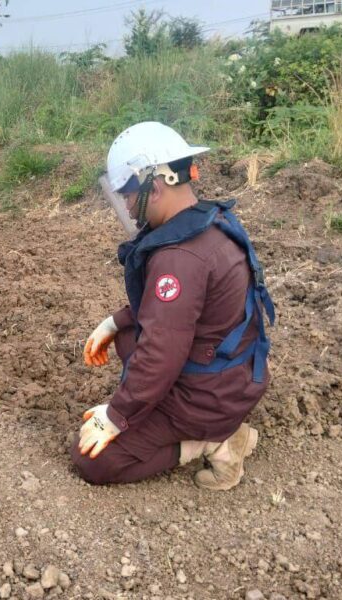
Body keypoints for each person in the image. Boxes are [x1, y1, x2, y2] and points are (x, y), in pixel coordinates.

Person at [71, 122, 275, 490]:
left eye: (129, 195)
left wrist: (116, 416)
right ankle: (185, 420)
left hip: (210, 397)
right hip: (232, 374)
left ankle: (215, 442)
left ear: (155, 186)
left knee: (93, 460)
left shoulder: (179, 258)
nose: (127, 206)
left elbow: (161, 352)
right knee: (128, 336)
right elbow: (185, 311)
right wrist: (115, 322)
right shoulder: (209, 221)